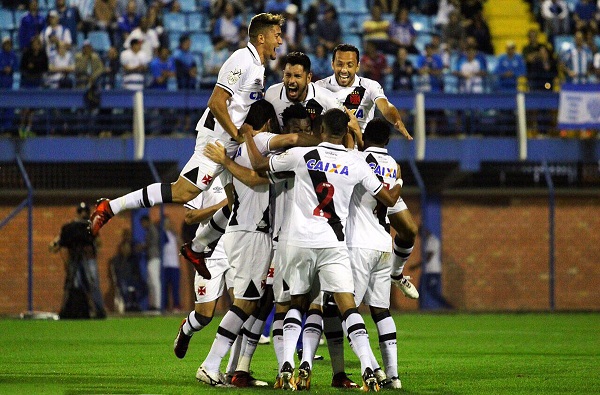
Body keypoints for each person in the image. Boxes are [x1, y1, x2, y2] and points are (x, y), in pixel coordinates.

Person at [89, 13, 285, 263]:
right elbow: (216, 102)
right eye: (276, 35)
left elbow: (240, 107)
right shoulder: (242, 59)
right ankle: (110, 208)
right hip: (217, 140)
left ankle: (196, 247)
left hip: (230, 143)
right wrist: (237, 134)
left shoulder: (257, 65)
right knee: (183, 193)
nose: (280, 41)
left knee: (235, 202)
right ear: (261, 37)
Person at [242, 108, 403, 391]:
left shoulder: (303, 155)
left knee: (298, 302)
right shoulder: (356, 162)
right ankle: (367, 365)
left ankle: (287, 363)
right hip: (333, 243)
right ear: (343, 132)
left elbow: (258, 166)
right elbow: (388, 198)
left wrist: (246, 137)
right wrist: (399, 179)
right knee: (347, 306)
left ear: (321, 129)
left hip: (299, 240)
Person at [346, 118, 405, 389]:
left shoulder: (357, 159)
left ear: (365, 137)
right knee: (381, 310)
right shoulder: (394, 165)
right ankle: (394, 376)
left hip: (359, 243)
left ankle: (372, 367)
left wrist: (353, 132)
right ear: (388, 141)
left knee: (347, 309)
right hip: (384, 243)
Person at [315, 43, 411, 139]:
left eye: (350, 65)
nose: (344, 70)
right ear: (332, 65)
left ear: (357, 66)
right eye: (339, 64)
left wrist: (396, 120)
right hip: (330, 148)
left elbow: (385, 106)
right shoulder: (319, 87)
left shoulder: (370, 86)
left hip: (361, 149)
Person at [49, 202, 107, 319]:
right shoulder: (71, 227)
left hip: (88, 259)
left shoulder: (91, 226)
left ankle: (99, 310)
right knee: (75, 285)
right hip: (75, 259)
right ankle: (76, 309)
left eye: (85, 211)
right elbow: (55, 244)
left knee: (93, 283)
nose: (83, 214)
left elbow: (99, 243)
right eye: (81, 212)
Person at [264, 51, 341, 130]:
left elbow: (342, 132)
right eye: (288, 75)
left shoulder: (328, 99)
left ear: (308, 78)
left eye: (297, 76)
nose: (291, 81)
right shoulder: (271, 94)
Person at [410, 227, 452, 309]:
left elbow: (428, 257)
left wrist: (415, 266)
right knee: (420, 290)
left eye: (420, 234)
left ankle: (448, 307)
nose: (420, 237)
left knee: (433, 291)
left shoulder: (433, 241)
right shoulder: (428, 241)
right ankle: (421, 309)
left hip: (433, 271)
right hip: (427, 271)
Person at [137, 215, 161, 311]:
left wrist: (142, 246)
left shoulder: (152, 230)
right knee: (151, 282)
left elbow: (152, 243)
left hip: (154, 257)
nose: (142, 226)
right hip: (151, 257)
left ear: (146, 221)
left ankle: (157, 305)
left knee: (155, 282)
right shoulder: (150, 230)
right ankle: (153, 304)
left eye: (143, 223)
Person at [161, 216, 181, 312]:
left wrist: (174, 232)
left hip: (175, 265)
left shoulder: (173, 235)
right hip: (165, 264)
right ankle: (165, 306)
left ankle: (176, 305)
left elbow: (181, 243)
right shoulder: (162, 234)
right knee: (165, 287)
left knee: (175, 287)